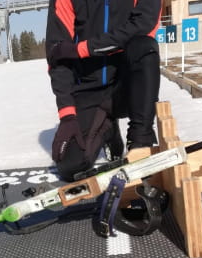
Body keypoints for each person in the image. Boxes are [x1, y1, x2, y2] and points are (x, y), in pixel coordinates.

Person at [46, 0, 162, 181]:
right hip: (87, 88)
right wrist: (67, 114)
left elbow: (143, 27)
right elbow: (57, 54)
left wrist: (83, 49)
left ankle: (140, 137)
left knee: (144, 46)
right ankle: (108, 129)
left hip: (127, 85)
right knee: (72, 168)